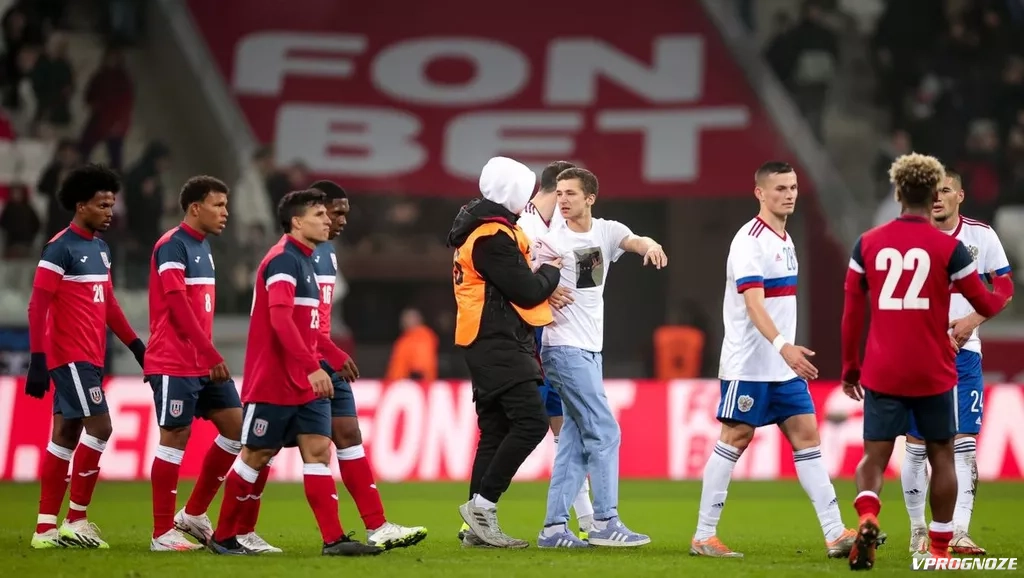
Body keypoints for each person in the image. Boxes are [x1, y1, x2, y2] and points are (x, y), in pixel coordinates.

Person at [840, 154, 1013, 570]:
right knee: (941, 451)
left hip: (891, 361)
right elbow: (990, 295)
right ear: (927, 192)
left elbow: (852, 312)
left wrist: (850, 367)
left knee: (880, 454)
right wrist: (975, 309)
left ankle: (873, 515)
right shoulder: (948, 248)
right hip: (934, 361)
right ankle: (934, 542)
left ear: (899, 193)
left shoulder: (870, 241)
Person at [691, 161, 858, 559]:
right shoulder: (749, 241)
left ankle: (835, 533)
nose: (789, 194)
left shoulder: (785, 239)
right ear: (760, 193)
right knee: (736, 437)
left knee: (807, 435)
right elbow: (754, 305)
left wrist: (784, 352)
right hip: (749, 363)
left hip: (783, 367)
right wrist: (784, 345)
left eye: (793, 187)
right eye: (780, 188)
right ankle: (703, 535)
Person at [208, 190, 381, 557]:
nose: (327, 220)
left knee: (318, 451)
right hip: (273, 381)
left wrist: (330, 355)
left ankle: (334, 539)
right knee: (256, 455)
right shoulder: (283, 260)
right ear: (297, 222)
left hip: (305, 382)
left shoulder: (306, 261)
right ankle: (223, 537)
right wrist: (312, 367)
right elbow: (281, 320)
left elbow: (309, 326)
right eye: (319, 214)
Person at [455, 160, 590, 543]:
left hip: (486, 340)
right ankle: (482, 506)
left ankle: (476, 527)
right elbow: (527, 291)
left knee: (495, 431)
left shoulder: (486, 229)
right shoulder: (492, 236)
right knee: (531, 423)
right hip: (498, 341)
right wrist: (550, 270)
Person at [534, 167, 666, 548]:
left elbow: (634, 240)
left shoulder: (605, 231)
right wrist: (543, 291)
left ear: (590, 198)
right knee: (606, 431)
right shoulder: (551, 241)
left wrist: (651, 246)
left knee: (574, 439)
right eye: (560, 193)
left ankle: (553, 529)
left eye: (571, 193)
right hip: (563, 348)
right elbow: (523, 281)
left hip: (591, 350)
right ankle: (605, 521)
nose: (562, 200)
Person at [25, 164, 147, 549]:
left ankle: (45, 528)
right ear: (81, 206)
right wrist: (37, 359)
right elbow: (37, 305)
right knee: (101, 428)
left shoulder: (101, 249)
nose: (110, 212)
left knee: (65, 434)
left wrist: (136, 346)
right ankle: (76, 520)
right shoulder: (60, 247)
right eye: (102, 205)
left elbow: (108, 303)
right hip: (71, 355)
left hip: (91, 356)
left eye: (112, 205)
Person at [307, 179, 427, 549]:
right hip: (303, 364)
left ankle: (377, 526)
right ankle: (226, 526)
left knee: (348, 435)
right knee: (260, 451)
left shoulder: (328, 252)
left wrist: (332, 354)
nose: (343, 220)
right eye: (336, 212)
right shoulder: (292, 255)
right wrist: (317, 357)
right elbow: (289, 321)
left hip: (327, 359)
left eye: (346, 213)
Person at [899, 169, 1011, 556]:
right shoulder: (910, 238)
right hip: (919, 353)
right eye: (932, 191)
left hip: (964, 354)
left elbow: (1004, 288)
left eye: (945, 190)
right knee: (917, 444)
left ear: (959, 196)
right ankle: (918, 530)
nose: (937, 197)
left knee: (963, 444)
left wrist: (970, 321)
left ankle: (958, 531)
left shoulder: (981, 236)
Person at [143, 176, 249, 552]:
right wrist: (209, 353)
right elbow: (176, 304)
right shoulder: (172, 245)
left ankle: (193, 514)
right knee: (175, 436)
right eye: (218, 205)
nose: (225, 212)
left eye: (225, 205)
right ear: (195, 207)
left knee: (237, 430)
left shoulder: (202, 246)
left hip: (202, 360)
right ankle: (161, 533)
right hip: (174, 360)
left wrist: (206, 354)